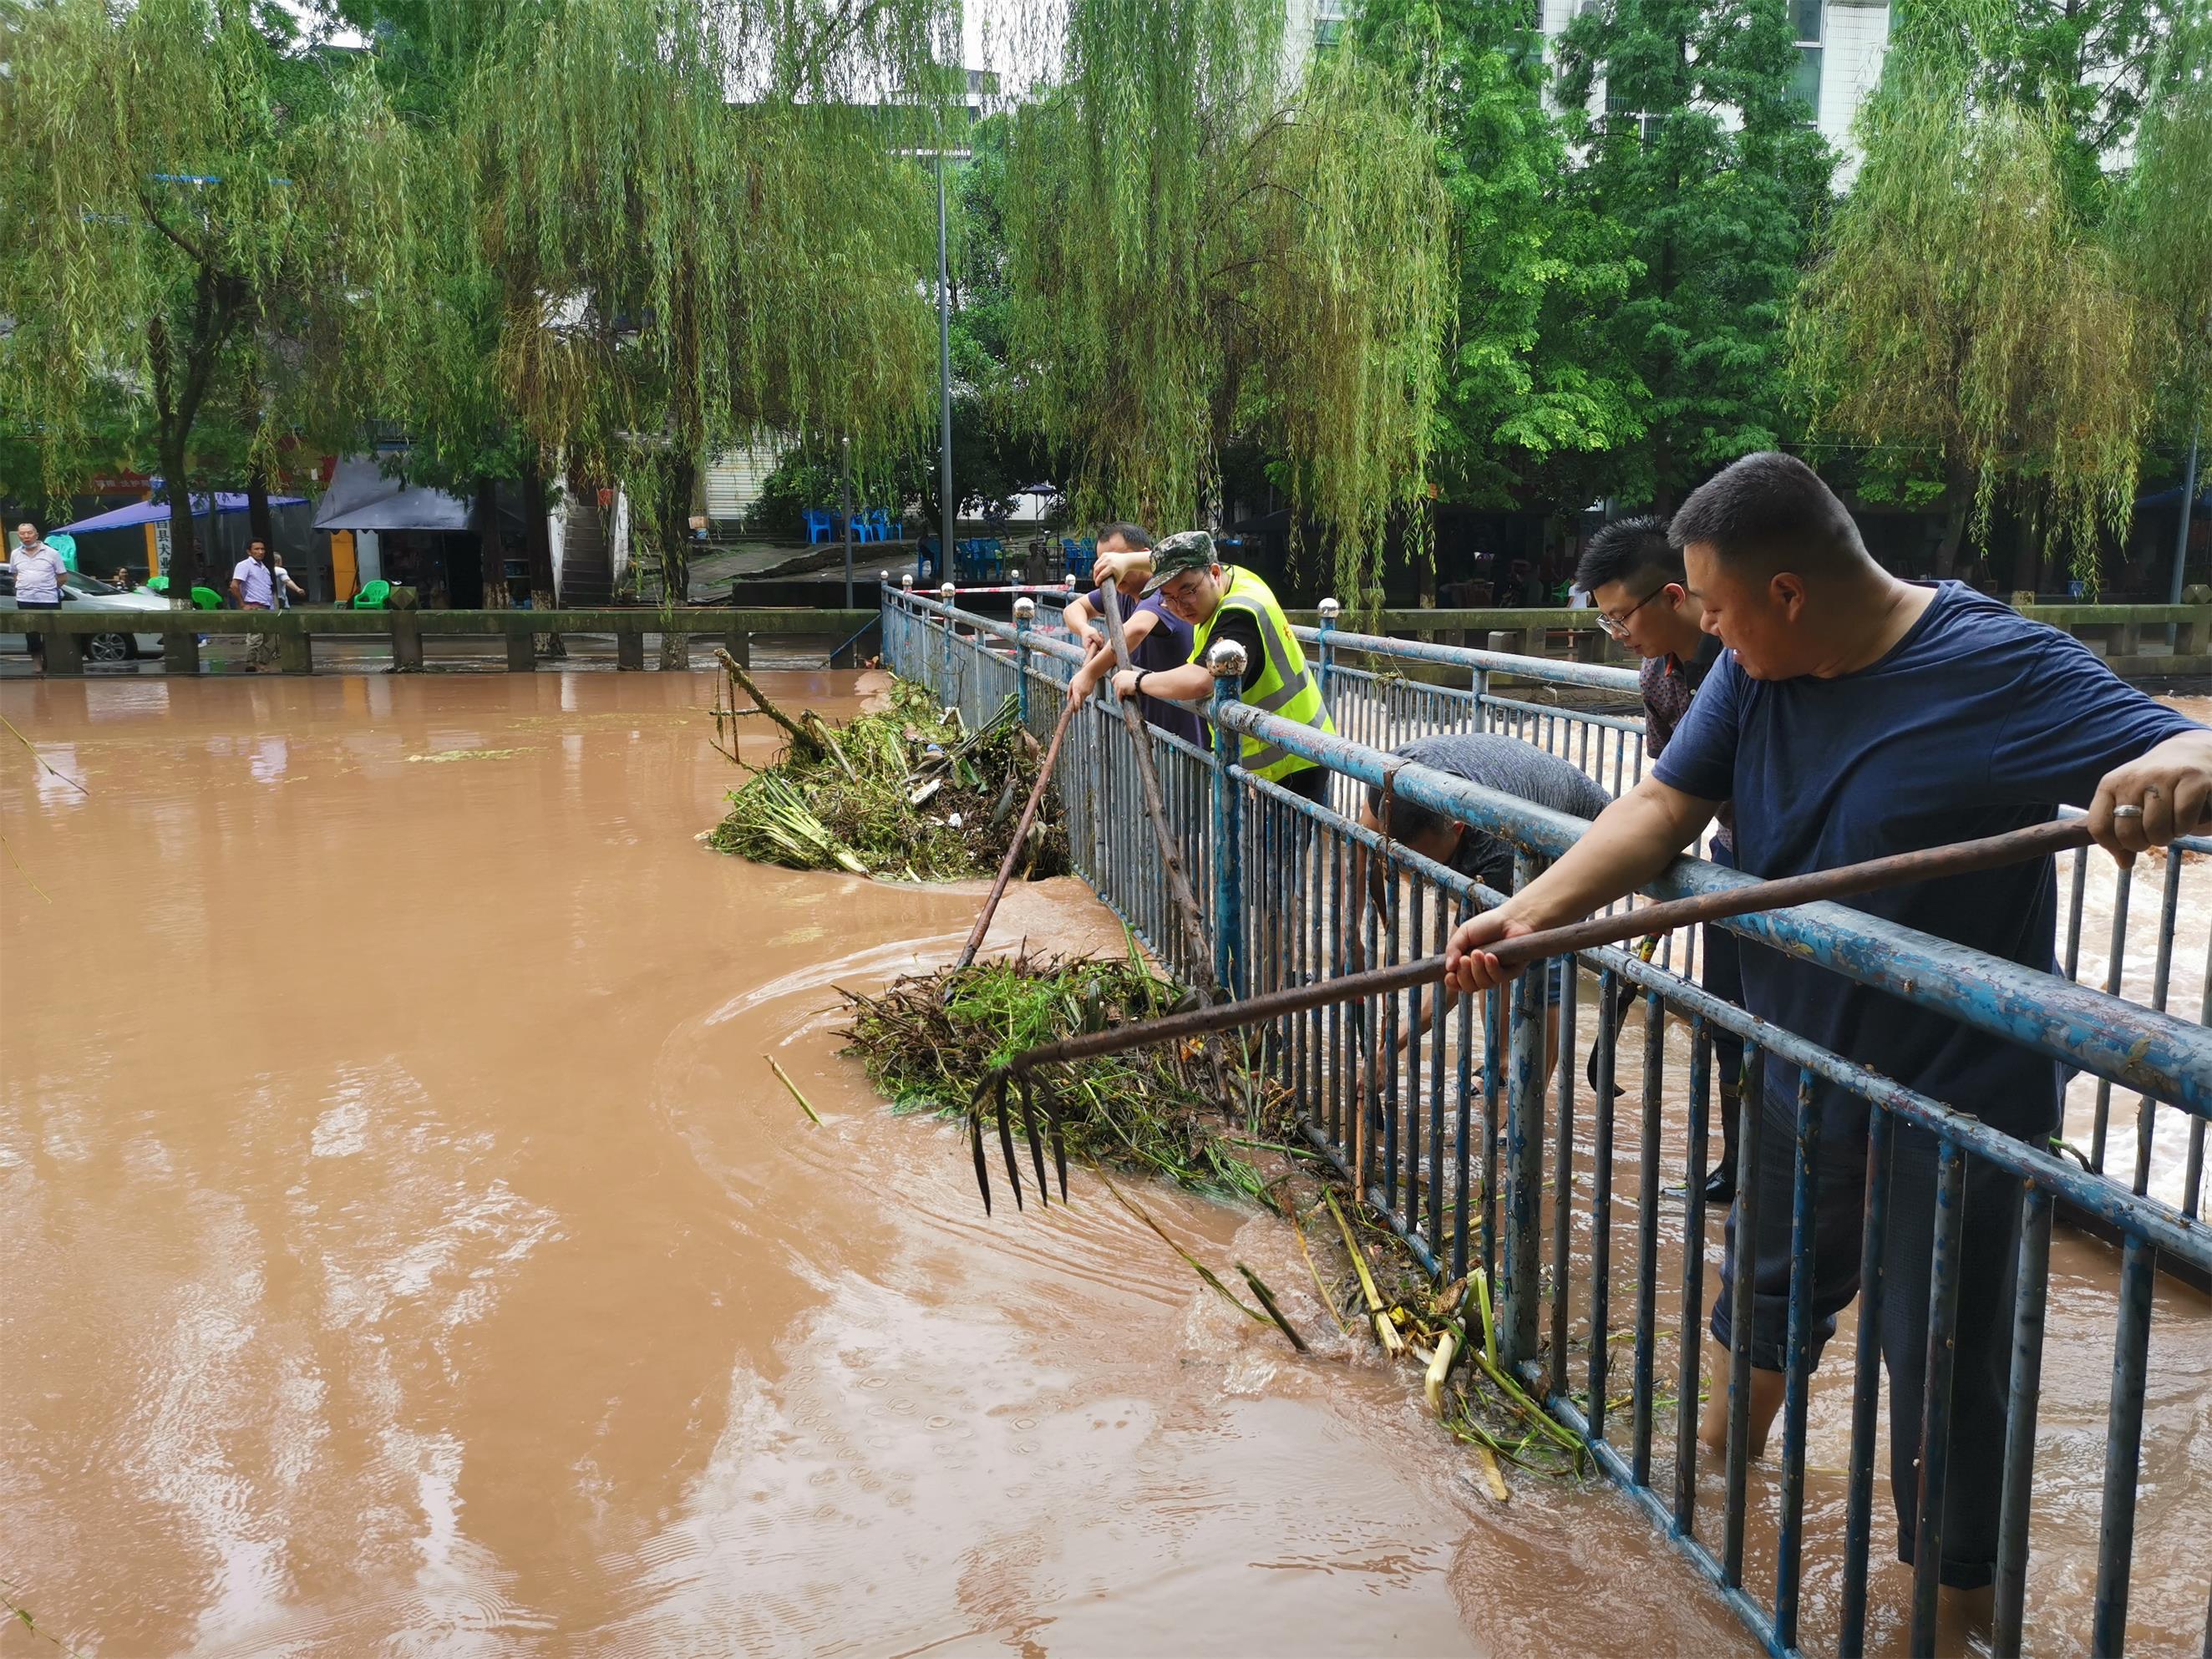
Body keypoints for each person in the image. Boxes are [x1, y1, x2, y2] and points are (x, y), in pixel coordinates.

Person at [1443, 451, 2211, 1627]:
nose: (1697, 632)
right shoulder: (1754, 674)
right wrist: (1538, 911)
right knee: (1762, 1291)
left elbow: (2181, 745)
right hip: (1796, 1058)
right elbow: (1661, 805)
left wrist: (2178, 761)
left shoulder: (2001, 665)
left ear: (1790, 591)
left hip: (1950, 1104)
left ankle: (1947, 1617)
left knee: (1943, 1372)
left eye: (1714, 607)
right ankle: (1707, 1508)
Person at [1576, 514, 1750, 1203]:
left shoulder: (1750, 659)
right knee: (1730, 1023)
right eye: (1607, 624)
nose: (1620, 637)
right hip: (1729, 849)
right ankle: (1742, 1163)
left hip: (1789, 862)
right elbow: (1670, 792)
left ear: (1676, 596)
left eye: (1623, 619)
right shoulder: (1658, 676)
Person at [1350, 732, 1613, 1095]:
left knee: (1530, 960)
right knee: (1489, 959)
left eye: (1424, 861)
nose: (1416, 874)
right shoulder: (1390, 780)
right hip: (1518, 793)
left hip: (1578, 833)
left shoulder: (1497, 851)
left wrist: (1388, 1050)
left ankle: (1531, 1098)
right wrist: (1354, 931)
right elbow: (1363, 837)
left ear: (1458, 827)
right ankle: (1502, 1064)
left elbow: (1454, 974)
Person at [1094, 530, 1337, 804]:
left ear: (1214, 573)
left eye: (1187, 592)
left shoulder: (1239, 614)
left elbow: (1202, 680)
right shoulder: (1232, 577)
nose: (1180, 606)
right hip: (1266, 753)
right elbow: (1180, 560)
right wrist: (1127, 562)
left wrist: (1138, 681)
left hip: (1290, 758)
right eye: (1168, 598)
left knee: (1271, 849)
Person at [1062, 523, 1204, 746]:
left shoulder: (1164, 593)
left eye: (1117, 561)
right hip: (1151, 728)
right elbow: (1073, 609)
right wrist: (1085, 629)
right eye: (1103, 563)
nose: (1109, 570)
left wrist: (1089, 674)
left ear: (1144, 557)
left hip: (1183, 738)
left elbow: (1135, 630)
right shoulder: (1119, 591)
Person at [11, 523, 68, 672]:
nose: (26, 536)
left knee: (52, 633)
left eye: (29, 533)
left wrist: (48, 588)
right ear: (19, 536)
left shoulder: (51, 553)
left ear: (36, 535)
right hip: (25, 599)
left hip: (48, 599)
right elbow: (15, 574)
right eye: (22, 533)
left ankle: (53, 663)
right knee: (31, 633)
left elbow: (62, 577)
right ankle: (37, 665)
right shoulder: (15, 554)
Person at [231, 539, 279, 670]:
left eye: (262, 549)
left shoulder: (265, 569)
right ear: (249, 551)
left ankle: (263, 663)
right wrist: (243, 604)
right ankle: (251, 663)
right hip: (254, 606)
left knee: (271, 639)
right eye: (257, 549)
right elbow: (234, 586)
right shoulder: (244, 565)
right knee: (255, 638)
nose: (260, 552)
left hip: (268, 607)